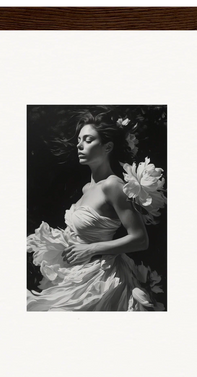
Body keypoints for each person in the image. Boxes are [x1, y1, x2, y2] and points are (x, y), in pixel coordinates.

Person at [27, 108, 167, 311]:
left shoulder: (113, 185)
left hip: (103, 278)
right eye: (79, 140)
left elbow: (140, 239)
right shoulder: (87, 188)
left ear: (107, 146)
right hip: (77, 274)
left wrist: (90, 249)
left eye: (88, 140)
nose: (80, 145)